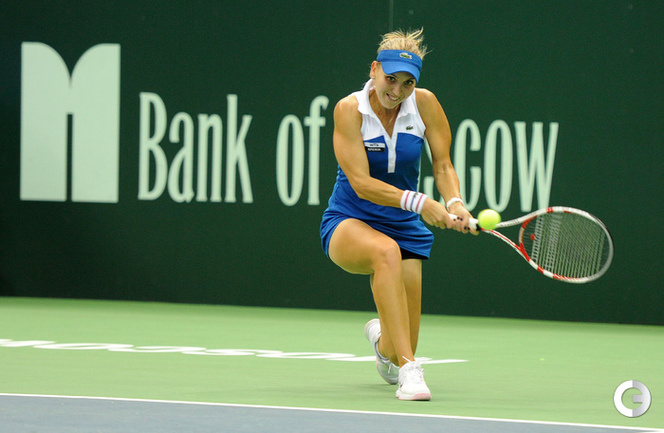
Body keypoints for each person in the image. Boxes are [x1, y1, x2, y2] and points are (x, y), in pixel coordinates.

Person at [320, 28, 477, 401]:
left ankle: (386, 347)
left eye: (408, 83)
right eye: (391, 79)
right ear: (374, 70)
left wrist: (454, 203)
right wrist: (422, 203)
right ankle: (411, 370)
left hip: (403, 227)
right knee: (385, 251)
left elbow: (443, 165)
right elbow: (361, 184)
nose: (397, 90)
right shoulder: (349, 110)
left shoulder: (425, 104)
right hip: (350, 220)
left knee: (393, 348)